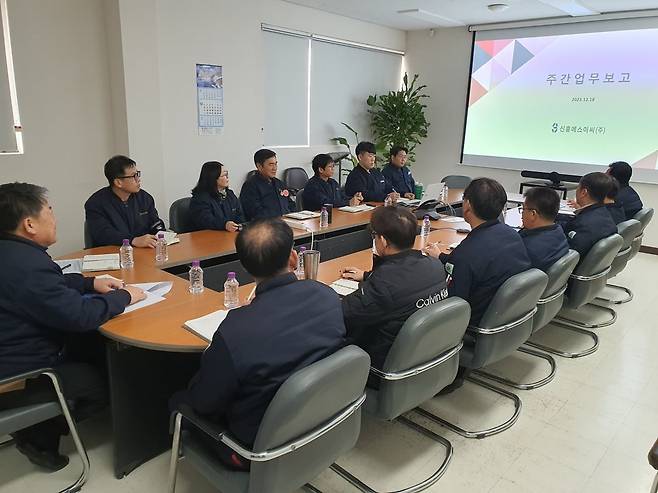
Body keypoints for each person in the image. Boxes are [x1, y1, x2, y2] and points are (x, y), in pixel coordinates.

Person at [170, 218, 345, 470]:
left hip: (257, 450)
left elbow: (204, 404)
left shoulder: (235, 331)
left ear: (245, 267)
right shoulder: (327, 295)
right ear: (294, 258)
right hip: (323, 420)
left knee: (179, 401)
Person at [0, 183, 145, 471]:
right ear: (29, 224)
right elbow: (79, 316)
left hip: (12, 355)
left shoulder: (13, 254)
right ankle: (38, 436)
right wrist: (124, 296)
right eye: (49, 212)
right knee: (105, 383)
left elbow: (49, 286)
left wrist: (90, 282)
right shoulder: (27, 265)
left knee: (92, 347)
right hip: (19, 375)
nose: (54, 218)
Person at [340, 206, 448, 380]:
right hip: (425, 355)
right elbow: (405, 282)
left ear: (382, 241)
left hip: (384, 368)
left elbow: (343, 315)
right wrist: (368, 276)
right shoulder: (435, 266)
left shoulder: (384, 285)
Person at [424, 178, 531, 327]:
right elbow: (475, 263)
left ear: (467, 205)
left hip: (475, 322)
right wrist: (441, 256)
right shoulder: (512, 235)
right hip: (507, 315)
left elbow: (452, 304)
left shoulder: (467, 252)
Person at [85, 155, 165, 248]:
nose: (138, 179)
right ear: (118, 182)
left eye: (137, 174)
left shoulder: (145, 198)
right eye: (133, 176)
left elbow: (154, 223)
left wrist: (161, 234)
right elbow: (103, 235)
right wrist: (133, 240)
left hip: (144, 251)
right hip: (113, 254)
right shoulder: (95, 204)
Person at [560, 172, 618, 259]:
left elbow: (567, 254)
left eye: (578, 187)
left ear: (583, 192)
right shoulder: (605, 214)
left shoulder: (585, 224)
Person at [518, 187, 570, 271]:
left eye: (523, 209)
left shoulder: (526, 249)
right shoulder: (559, 232)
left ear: (533, 214)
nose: (522, 213)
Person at [239, 149, 295, 221]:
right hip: (265, 226)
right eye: (271, 164)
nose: (275, 168)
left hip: (287, 223)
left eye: (275, 164)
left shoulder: (279, 183)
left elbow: (291, 205)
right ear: (259, 166)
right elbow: (254, 213)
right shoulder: (250, 186)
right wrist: (279, 219)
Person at [189, 161, 244, 232]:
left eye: (227, 174)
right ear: (213, 178)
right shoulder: (200, 198)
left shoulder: (230, 194)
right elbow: (206, 221)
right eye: (224, 175)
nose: (227, 177)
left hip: (229, 235)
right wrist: (224, 224)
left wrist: (240, 226)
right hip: (208, 237)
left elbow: (240, 215)